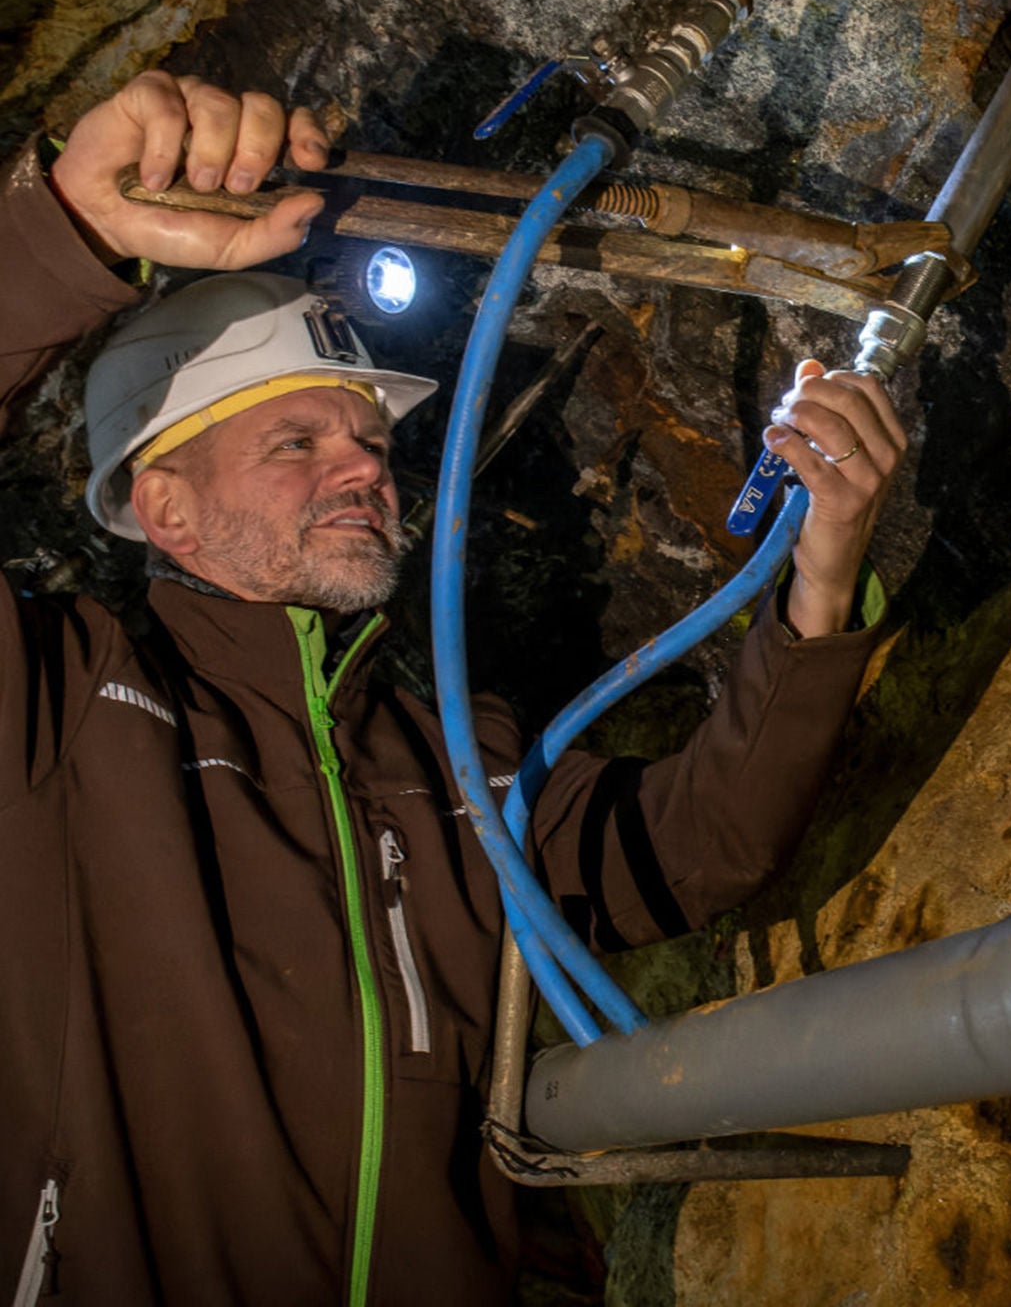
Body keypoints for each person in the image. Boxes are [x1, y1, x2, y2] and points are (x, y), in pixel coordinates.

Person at [1, 72, 905, 1307]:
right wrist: (66, 229)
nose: (365, 467)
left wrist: (822, 573)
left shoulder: (453, 753)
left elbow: (693, 851)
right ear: (164, 506)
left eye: (369, 436)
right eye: (296, 442)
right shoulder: (58, 712)